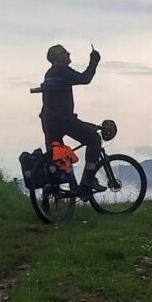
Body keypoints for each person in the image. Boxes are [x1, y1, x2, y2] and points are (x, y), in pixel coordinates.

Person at [39, 44, 104, 194]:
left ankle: (53, 191)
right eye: (64, 52)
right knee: (94, 139)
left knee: (57, 158)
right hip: (63, 119)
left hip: (48, 121)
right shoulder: (62, 70)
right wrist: (94, 62)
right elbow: (85, 78)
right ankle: (88, 179)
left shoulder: (50, 73)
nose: (69, 53)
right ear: (57, 57)